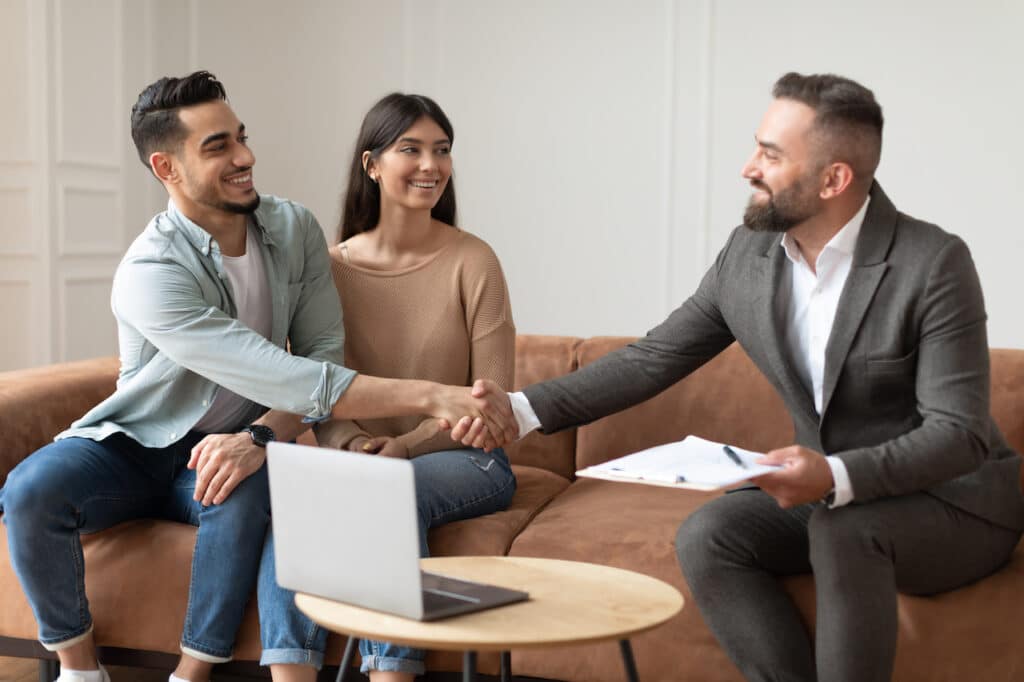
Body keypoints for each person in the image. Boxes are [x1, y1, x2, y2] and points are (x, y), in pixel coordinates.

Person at [453, 72, 1024, 682]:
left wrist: (830, 473)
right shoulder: (747, 259)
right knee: (711, 535)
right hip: (832, 497)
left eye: (771, 155)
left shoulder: (931, 263)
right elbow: (654, 357)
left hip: (953, 504)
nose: (748, 167)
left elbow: (957, 433)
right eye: (757, 145)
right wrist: (519, 410)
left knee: (842, 527)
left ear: (834, 179)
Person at [0, 71, 505, 682]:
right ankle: (80, 670)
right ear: (167, 167)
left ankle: (195, 670)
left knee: (268, 496)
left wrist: (264, 436)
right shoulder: (151, 270)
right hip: (138, 443)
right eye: (218, 147)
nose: (246, 157)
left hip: (250, 442)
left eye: (241, 137)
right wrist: (421, 403)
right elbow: (285, 374)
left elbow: (321, 357)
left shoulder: (295, 230)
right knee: (28, 492)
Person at [256, 93, 518, 682]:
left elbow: (492, 396)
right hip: (360, 462)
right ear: (371, 164)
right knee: (297, 514)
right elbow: (319, 386)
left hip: (467, 458)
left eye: (442, 150)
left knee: (387, 495)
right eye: (412, 149)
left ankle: (392, 674)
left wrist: (408, 446)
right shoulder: (331, 269)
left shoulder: (474, 261)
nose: (431, 165)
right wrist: (352, 446)